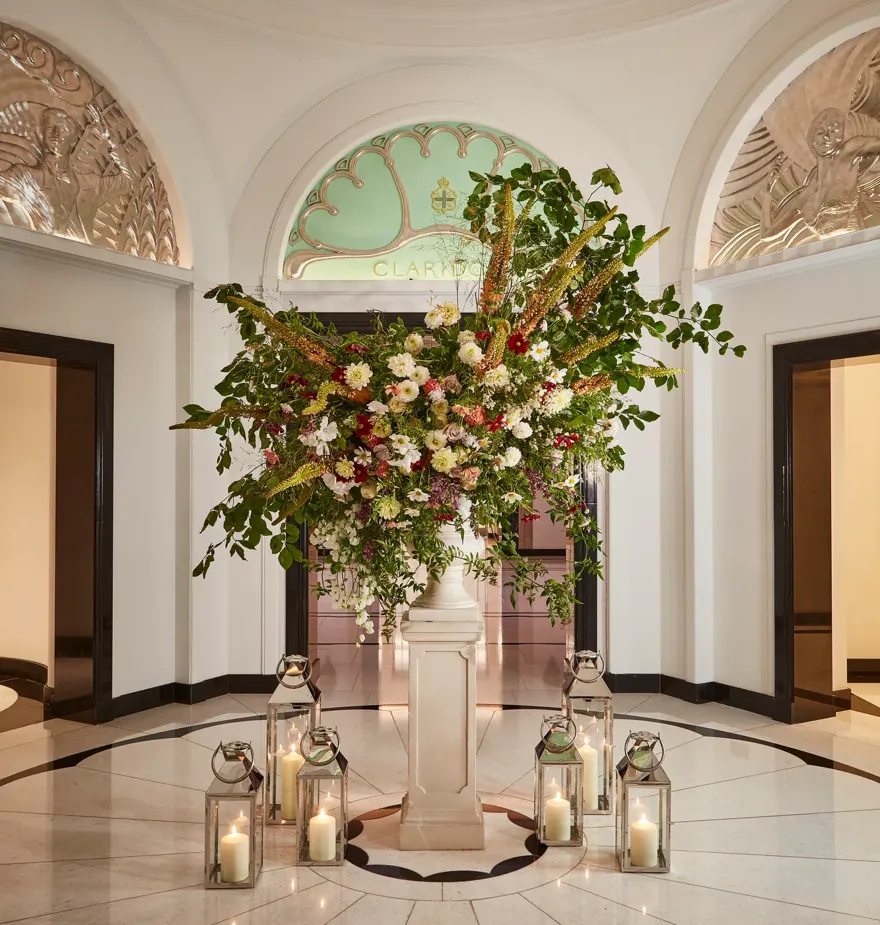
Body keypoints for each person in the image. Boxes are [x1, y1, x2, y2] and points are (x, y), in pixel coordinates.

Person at [0, 104, 134, 243]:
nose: (55, 134)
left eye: (62, 129)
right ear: (42, 135)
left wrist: (110, 139)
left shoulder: (91, 184)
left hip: (85, 261)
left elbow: (130, 182)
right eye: (50, 127)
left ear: (74, 140)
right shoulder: (25, 177)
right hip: (34, 256)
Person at [761, 107, 880, 241]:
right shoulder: (806, 195)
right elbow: (767, 235)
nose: (826, 136)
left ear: (840, 137)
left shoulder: (847, 153)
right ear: (812, 139)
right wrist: (766, 193)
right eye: (820, 132)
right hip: (826, 259)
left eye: (834, 131)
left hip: (861, 252)